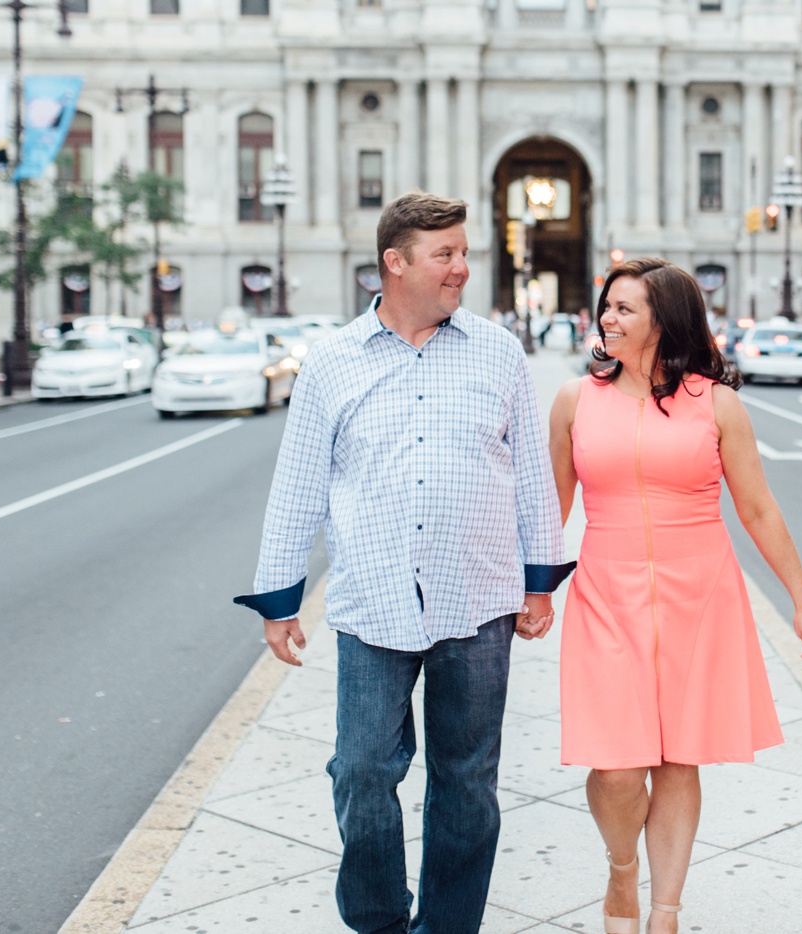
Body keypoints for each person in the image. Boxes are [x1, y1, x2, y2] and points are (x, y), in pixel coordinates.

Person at [234, 191, 574, 934]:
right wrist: (279, 600)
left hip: (478, 602)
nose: (461, 268)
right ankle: (380, 919)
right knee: (360, 773)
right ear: (395, 263)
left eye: (464, 252)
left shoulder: (498, 352)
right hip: (372, 604)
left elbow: (529, 478)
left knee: (466, 783)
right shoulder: (331, 365)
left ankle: (449, 927)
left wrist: (540, 581)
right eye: (445, 254)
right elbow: (299, 486)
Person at [548, 258, 802, 934]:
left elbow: (758, 509)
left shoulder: (718, 403)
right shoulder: (573, 400)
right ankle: (623, 871)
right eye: (606, 307)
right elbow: (547, 510)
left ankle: (664, 914)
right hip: (605, 595)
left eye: (624, 309)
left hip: (699, 595)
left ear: (663, 321)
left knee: (678, 759)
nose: (606, 318)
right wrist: (527, 592)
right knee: (617, 768)